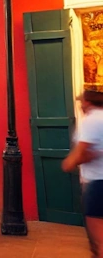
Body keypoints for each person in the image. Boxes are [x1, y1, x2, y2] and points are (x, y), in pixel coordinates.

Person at [63, 90, 103, 257]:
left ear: (87, 102)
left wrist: (69, 163)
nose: (80, 106)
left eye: (81, 102)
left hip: (97, 182)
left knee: (99, 239)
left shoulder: (92, 120)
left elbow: (78, 155)